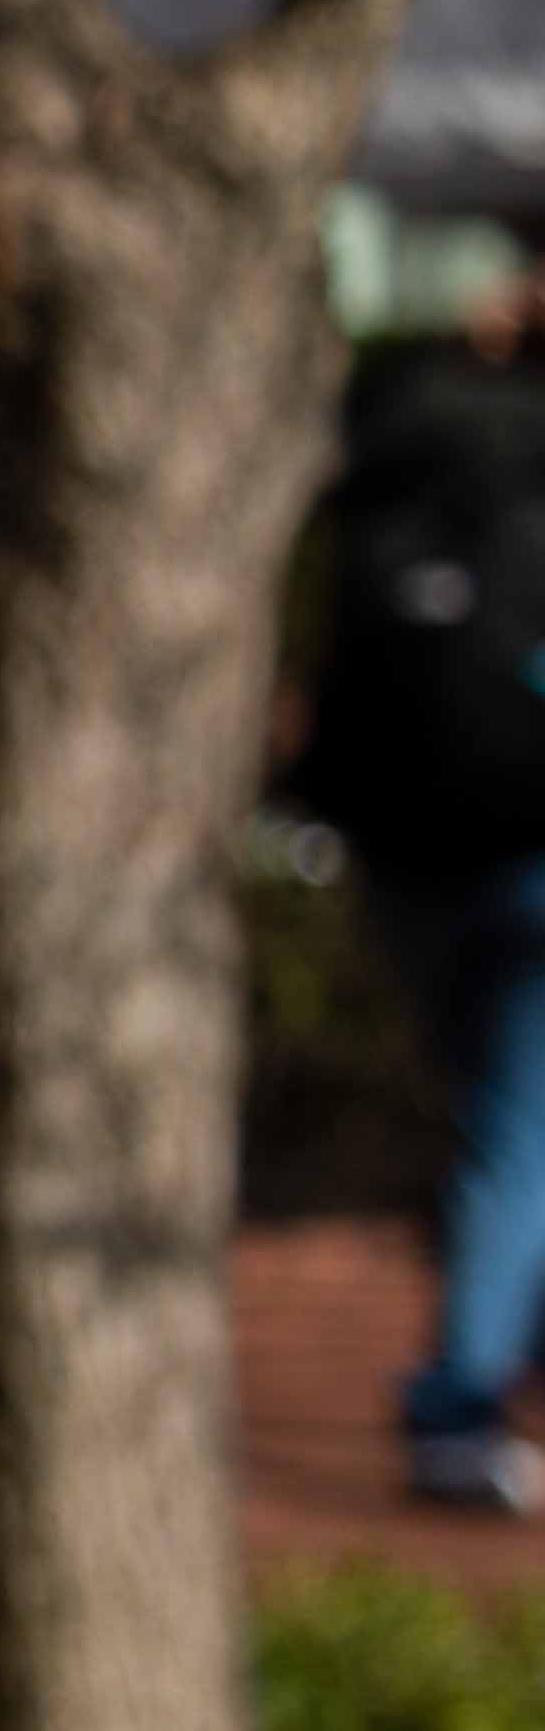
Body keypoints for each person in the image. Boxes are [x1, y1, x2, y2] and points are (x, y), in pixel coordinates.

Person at [310, 279, 545, 1513]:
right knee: (522, 1138)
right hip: (532, 853)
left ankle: (489, 1357)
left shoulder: (408, 450)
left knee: (492, 1126)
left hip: (406, 855)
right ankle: (461, 1400)